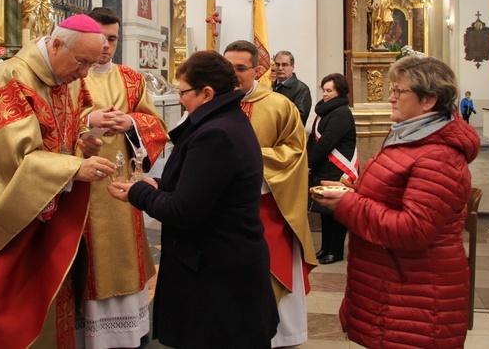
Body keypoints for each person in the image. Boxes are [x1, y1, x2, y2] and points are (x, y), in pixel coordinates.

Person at [0, 14, 118, 348]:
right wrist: (72, 169)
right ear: (57, 44)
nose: (85, 74)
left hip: (48, 207)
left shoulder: (67, 75)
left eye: (91, 64)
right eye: (82, 62)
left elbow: (65, 128)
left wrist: (81, 140)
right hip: (5, 219)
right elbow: (6, 161)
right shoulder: (10, 80)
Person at [108, 50, 279, 348]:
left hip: (217, 274)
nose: (181, 99)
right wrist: (157, 183)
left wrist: (139, 192)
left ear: (207, 93)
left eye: (184, 92)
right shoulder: (226, 121)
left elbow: (184, 210)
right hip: (225, 265)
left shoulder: (215, 134)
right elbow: (206, 187)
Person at [311, 55, 480, 348]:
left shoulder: (438, 155)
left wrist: (348, 205)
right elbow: (396, 196)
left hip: (417, 296)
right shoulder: (410, 136)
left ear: (429, 100)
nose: (390, 98)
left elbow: (414, 229)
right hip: (392, 285)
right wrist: (354, 190)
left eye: (398, 91)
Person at [78, 7, 169, 348]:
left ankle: (126, 331)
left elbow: (156, 127)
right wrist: (88, 123)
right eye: (100, 38)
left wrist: (131, 123)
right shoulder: (73, 75)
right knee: (88, 256)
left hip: (122, 183)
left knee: (122, 252)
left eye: (112, 39)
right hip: (82, 183)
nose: (106, 46)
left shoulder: (131, 78)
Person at [223, 40, 316, 348]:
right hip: (225, 211)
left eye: (241, 68)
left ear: (258, 70)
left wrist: (248, 159)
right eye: (228, 68)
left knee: (271, 272)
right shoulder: (216, 103)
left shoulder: (280, 105)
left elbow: (295, 152)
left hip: (269, 204)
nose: (234, 75)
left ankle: (280, 336)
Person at [307, 73, 357, 265]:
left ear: (340, 92)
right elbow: (315, 140)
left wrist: (309, 162)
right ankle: (325, 248)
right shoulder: (325, 112)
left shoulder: (341, 113)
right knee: (324, 211)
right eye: (324, 90)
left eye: (329, 91)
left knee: (336, 213)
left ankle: (335, 251)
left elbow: (327, 142)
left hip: (337, 169)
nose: (325, 94)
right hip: (325, 167)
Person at [272, 50, 312, 126]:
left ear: (292, 67)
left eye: (285, 65)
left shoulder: (302, 89)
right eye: (277, 64)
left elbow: (299, 119)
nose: (280, 68)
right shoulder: (270, 88)